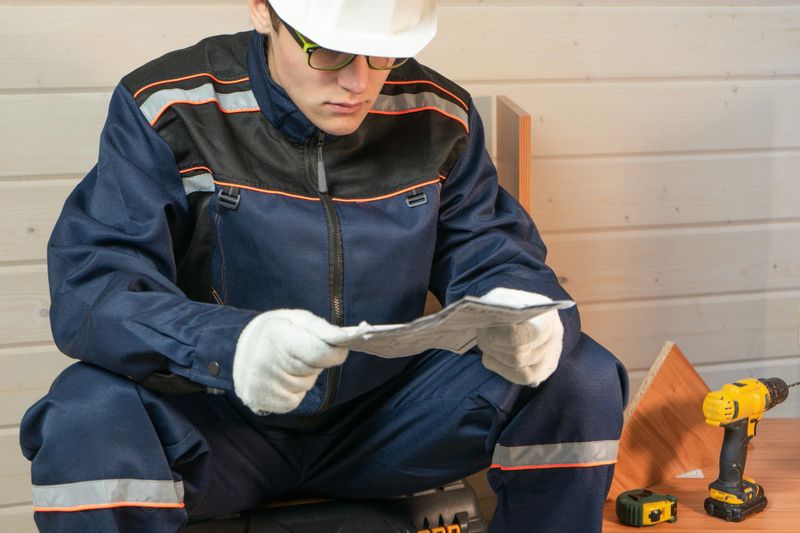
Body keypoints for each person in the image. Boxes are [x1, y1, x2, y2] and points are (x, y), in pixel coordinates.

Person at [20, 1, 628, 531]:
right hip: (222, 428)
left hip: (388, 426)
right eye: (331, 53)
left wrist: (527, 312)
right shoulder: (169, 109)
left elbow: (493, 251)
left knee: (581, 376)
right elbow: (94, 289)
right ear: (264, 11)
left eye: (381, 56)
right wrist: (232, 344)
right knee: (84, 417)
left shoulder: (439, 116)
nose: (359, 84)